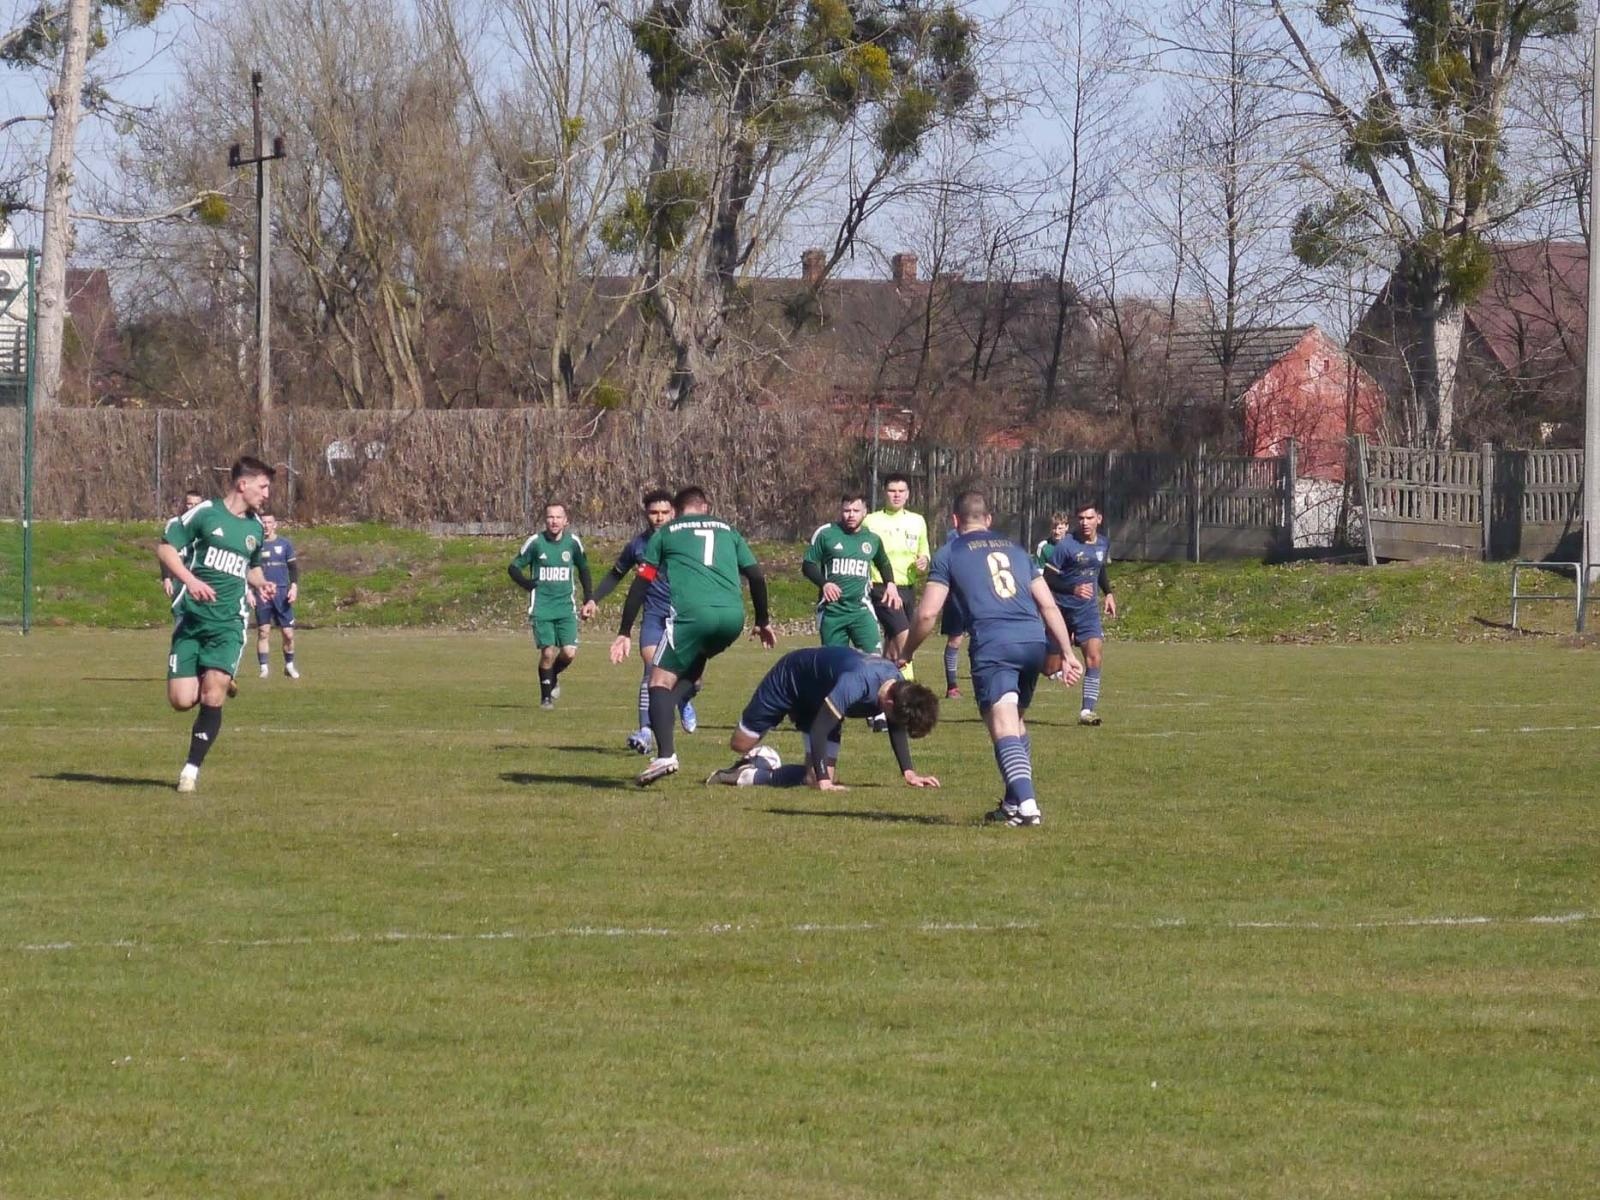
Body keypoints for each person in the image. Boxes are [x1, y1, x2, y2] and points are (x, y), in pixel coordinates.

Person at [904, 490, 1082, 828]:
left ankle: (1028, 806)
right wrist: (1068, 653)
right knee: (1015, 724)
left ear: (955, 521)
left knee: (1002, 727)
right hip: (1033, 640)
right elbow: (1047, 604)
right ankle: (1013, 805)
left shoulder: (949, 552)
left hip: (994, 643)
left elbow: (927, 614)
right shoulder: (1016, 550)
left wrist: (907, 651)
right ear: (989, 520)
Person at [611, 485, 777, 786]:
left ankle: (666, 755)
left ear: (676, 509)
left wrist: (624, 631)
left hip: (693, 617)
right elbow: (755, 575)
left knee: (658, 682)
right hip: (732, 618)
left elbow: (642, 582)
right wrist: (763, 620)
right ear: (706, 506)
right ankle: (679, 704)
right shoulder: (728, 530)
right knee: (689, 669)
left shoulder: (668, 532)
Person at [157, 456, 277, 793]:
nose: (267, 494)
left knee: (212, 694)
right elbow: (166, 549)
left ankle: (190, 772)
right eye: (263, 486)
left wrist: (261, 582)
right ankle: (215, 676)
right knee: (181, 700)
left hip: (230, 623)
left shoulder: (255, 527)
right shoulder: (205, 513)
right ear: (243, 484)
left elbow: (249, 567)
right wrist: (189, 580)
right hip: (192, 620)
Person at [706, 645, 941, 789]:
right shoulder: (857, 683)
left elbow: (896, 723)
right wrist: (825, 783)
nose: (894, 723)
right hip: (789, 678)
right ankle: (758, 755)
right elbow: (820, 729)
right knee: (740, 744)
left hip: (821, 698)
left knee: (814, 778)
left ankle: (746, 775)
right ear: (889, 702)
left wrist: (909, 772)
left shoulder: (897, 687)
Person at [583, 489, 696, 752]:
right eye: (654, 513)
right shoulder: (637, 546)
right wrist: (594, 599)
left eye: (664, 513)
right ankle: (646, 731)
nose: (659, 518)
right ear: (646, 514)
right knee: (651, 669)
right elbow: (616, 574)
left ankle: (685, 698)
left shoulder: (687, 542)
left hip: (685, 616)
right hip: (654, 616)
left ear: (674, 513)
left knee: (692, 677)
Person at [509, 502, 593, 710]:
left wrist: (589, 599)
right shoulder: (536, 543)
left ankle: (553, 674)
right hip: (542, 607)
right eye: (550, 517)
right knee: (547, 652)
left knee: (569, 653)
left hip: (566, 606)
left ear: (566, 520)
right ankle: (545, 697)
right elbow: (513, 567)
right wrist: (527, 584)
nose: (554, 521)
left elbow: (584, 570)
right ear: (545, 520)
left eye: (558, 517)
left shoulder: (573, 543)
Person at [1043, 500, 1117, 726]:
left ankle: (1087, 711)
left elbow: (1100, 567)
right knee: (1050, 668)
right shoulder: (1066, 546)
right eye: (1081, 518)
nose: (1085, 523)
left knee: (1094, 657)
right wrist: (1072, 588)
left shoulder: (1103, 544)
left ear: (1099, 519)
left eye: (1089, 518)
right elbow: (1048, 578)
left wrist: (1109, 593)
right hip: (1061, 612)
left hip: (1087, 612)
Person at [802, 491, 900, 654]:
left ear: (864, 512)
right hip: (832, 611)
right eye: (847, 511)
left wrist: (890, 584)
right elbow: (808, 564)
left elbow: (883, 563)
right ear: (841, 511)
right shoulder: (826, 533)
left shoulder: (872, 539)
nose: (851, 515)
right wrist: (824, 583)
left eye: (856, 511)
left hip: (861, 610)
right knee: (835, 666)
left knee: (874, 661)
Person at [861, 473, 930, 678]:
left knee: (892, 650)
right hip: (882, 588)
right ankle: (908, 687)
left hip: (907, 588)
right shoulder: (870, 521)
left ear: (908, 494)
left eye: (901, 491)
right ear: (884, 493)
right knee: (905, 639)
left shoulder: (917, 521)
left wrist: (923, 562)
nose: (896, 495)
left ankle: (880, 689)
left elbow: (924, 552)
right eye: (892, 491)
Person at [252, 514, 300, 679]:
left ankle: (289, 665)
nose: (266, 525)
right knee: (263, 632)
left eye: (269, 522)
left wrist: (293, 587)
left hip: (281, 592)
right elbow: (249, 570)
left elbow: (293, 568)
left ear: (275, 525)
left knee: (288, 633)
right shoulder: (255, 544)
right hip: (262, 593)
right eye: (263, 522)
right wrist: (250, 592)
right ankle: (264, 668)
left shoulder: (285, 544)